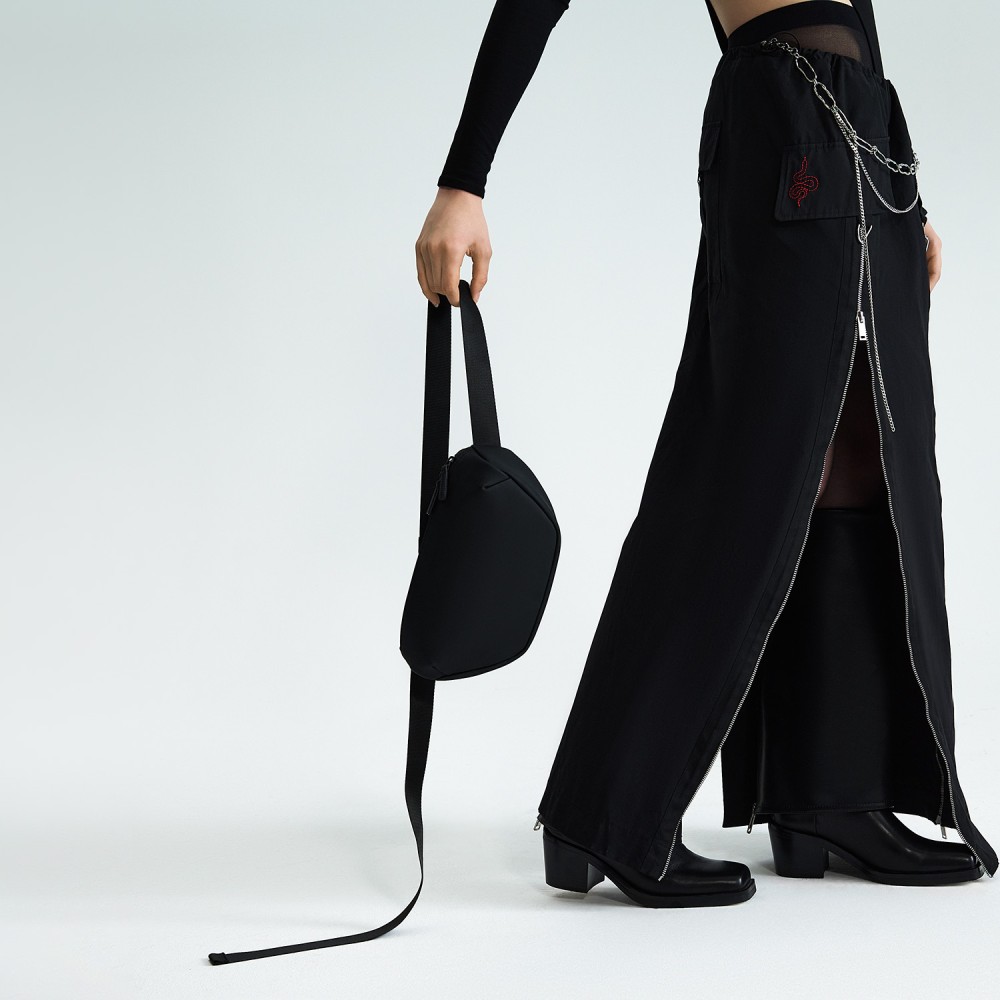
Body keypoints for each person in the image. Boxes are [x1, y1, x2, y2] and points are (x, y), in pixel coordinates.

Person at [415, 0, 997, 907]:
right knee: (744, 470)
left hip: (864, 135)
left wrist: (900, 186)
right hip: (787, 110)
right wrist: (464, 181)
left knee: (862, 446)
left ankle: (831, 794)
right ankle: (603, 811)